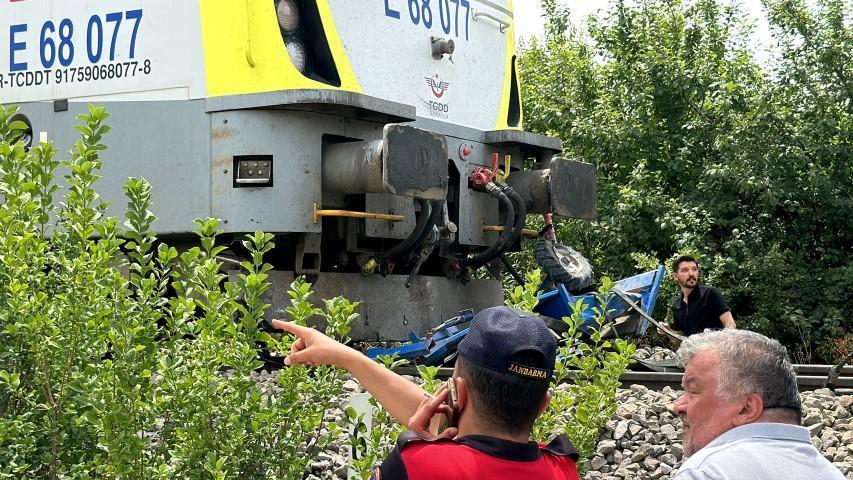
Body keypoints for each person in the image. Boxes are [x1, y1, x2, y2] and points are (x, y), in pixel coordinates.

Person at [272, 306, 580, 480]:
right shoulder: (562, 469)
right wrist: (346, 356)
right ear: (543, 405)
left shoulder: (418, 467)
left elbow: (455, 448)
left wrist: (412, 444)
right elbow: (477, 444)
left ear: (457, 392)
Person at [672, 329, 844, 479]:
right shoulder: (830, 474)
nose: (677, 406)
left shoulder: (704, 472)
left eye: (693, 391)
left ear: (747, 409)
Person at [659, 255, 735, 342]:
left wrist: (723, 346)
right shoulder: (677, 306)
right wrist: (668, 331)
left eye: (694, 269)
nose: (691, 273)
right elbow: (680, 340)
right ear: (675, 276)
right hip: (696, 353)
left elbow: (730, 324)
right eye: (685, 270)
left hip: (717, 351)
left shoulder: (710, 293)